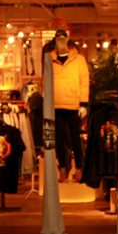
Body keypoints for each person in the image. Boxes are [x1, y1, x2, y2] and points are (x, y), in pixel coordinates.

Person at [50, 26, 89, 180]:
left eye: (63, 39)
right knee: (59, 140)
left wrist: (83, 103)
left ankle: (79, 168)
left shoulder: (78, 60)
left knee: (75, 138)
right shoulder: (50, 59)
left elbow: (84, 81)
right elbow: (46, 83)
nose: (60, 42)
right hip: (56, 105)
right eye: (58, 39)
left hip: (73, 104)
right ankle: (62, 169)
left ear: (67, 40)